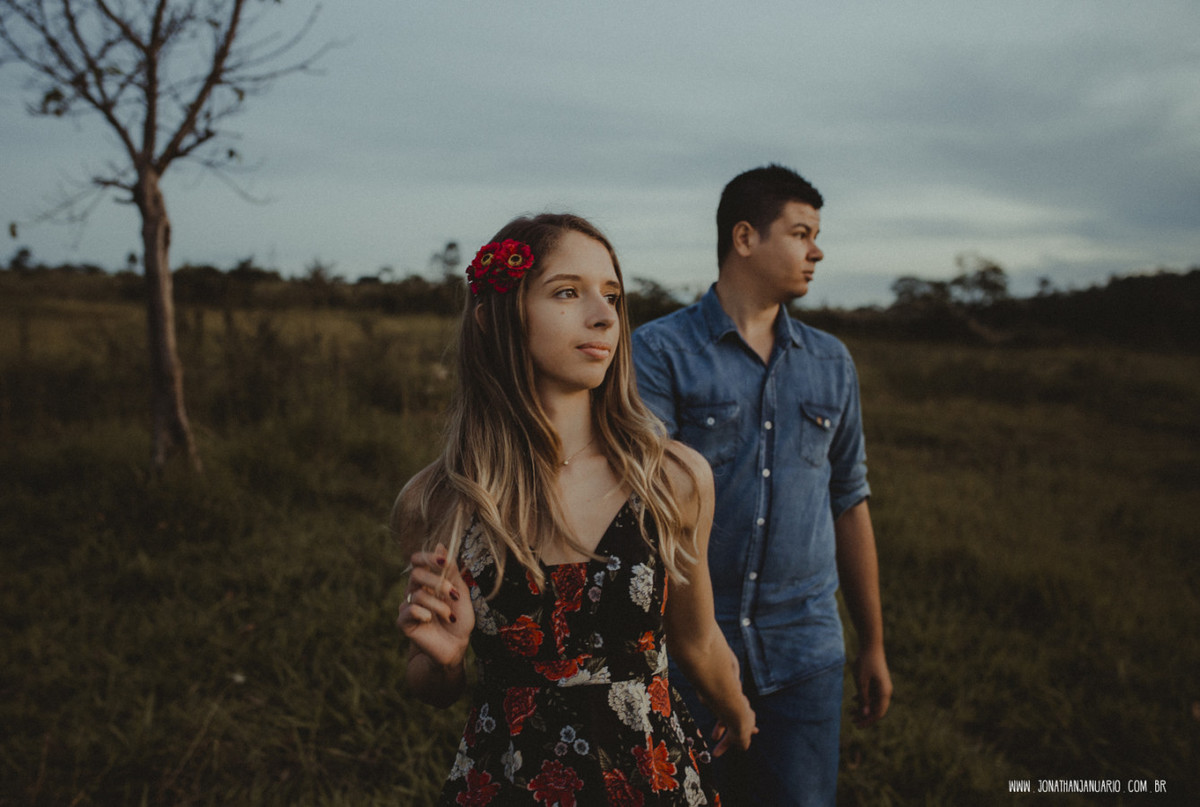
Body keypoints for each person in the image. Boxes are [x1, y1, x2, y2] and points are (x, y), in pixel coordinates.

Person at [394, 213, 756, 805]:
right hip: (509, 784)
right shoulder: (439, 501)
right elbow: (429, 682)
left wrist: (738, 711)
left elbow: (697, 639)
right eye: (568, 292)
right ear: (495, 315)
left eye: (612, 296)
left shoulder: (673, 478)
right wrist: (444, 662)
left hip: (651, 783)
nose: (604, 315)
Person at [631, 165, 893, 806]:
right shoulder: (658, 353)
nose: (817, 250)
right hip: (688, 651)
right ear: (744, 238)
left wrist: (873, 644)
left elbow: (849, 501)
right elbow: (645, 515)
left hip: (805, 651)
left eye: (818, 234)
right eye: (801, 232)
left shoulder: (831, 361)